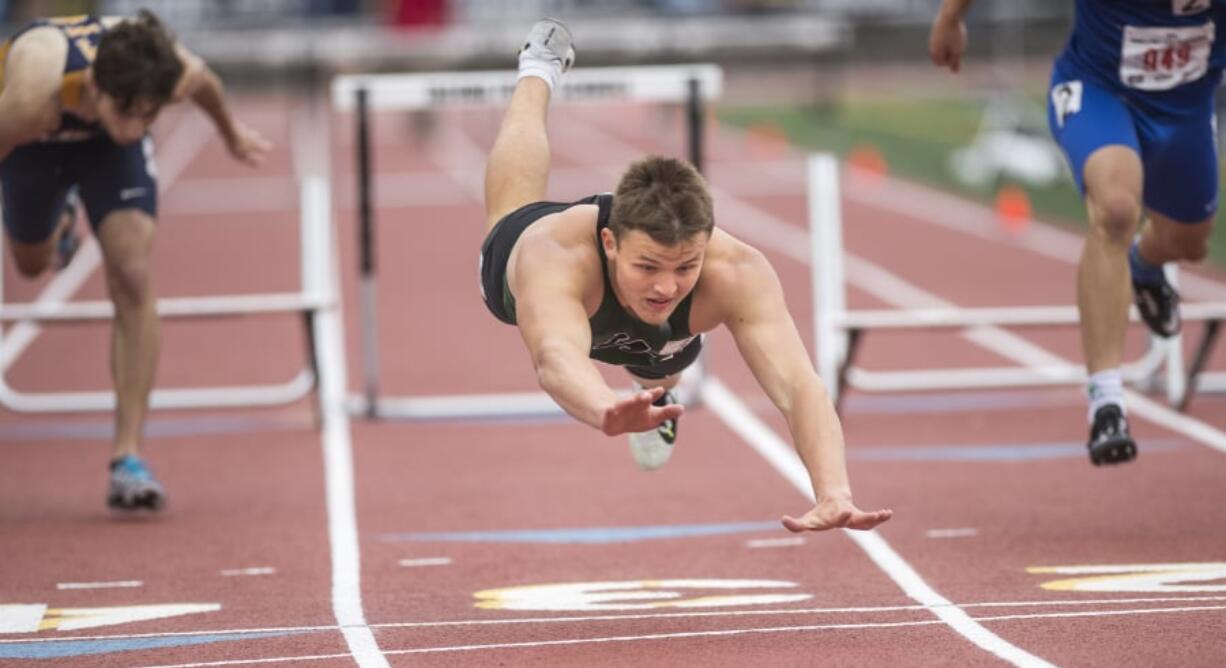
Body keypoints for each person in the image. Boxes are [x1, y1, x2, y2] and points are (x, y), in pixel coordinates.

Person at [480, 19, 892, 532]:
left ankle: (656, 394)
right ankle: (538, 68)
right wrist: (605, 407)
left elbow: (798, 386)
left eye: (685, 267)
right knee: (511, 202)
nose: (666, 286)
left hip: (659, 341)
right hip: (530, 269)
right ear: (610, 244)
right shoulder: (555, 255)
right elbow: (556, 357)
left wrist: (834, 489)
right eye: (647, 266)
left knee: (661, 366)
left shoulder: (735, 271)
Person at [929, 0, 1223, 466]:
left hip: (1184, 110)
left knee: (1190, 241)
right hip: (1099, 92)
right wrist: (951, 18)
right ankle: (1107, 401)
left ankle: (1143, 265)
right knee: (1116, 208)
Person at [0, 11, 271, 510]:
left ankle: (128, 457)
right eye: (129, 112)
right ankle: (60, 228)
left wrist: (232, 134)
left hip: (104, 156)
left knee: (131, 273)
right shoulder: (28, 94)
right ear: (96, 88)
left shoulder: (160, 71)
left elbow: (203, 83)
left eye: (150, 115)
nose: (138, 127)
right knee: (31, 264)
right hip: (31, 145)